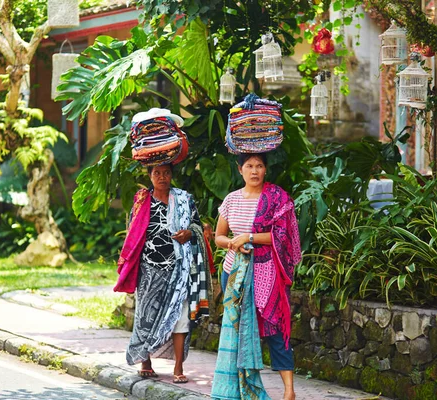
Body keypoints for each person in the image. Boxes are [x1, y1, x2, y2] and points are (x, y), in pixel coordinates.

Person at [211, 153, 301, 400]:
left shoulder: (276, 198)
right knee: (238, 333)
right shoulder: (231, 200)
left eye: (259, 166)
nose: (254, 171)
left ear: (265, 170)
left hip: (267, 275)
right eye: (249, 166)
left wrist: (249, 237)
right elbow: (218, 236)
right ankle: (240, 390)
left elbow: (282, 237)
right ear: (240, 170)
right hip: (234, 274)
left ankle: (289, 391)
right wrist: (232, 243)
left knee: (274, 328)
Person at [115, 163, 212, 384]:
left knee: (180, 317)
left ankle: (178, 366)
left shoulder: (184, 200)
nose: (162, 177)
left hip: (181, 268)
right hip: (150, 269)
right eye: (157, 173)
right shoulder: (142, 202)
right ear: (149, 176)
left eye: (166, 173)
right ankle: (145, 361)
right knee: (146, 316)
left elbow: (198, 226)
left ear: (171, 175)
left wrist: (189, 233)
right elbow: (134, 234)